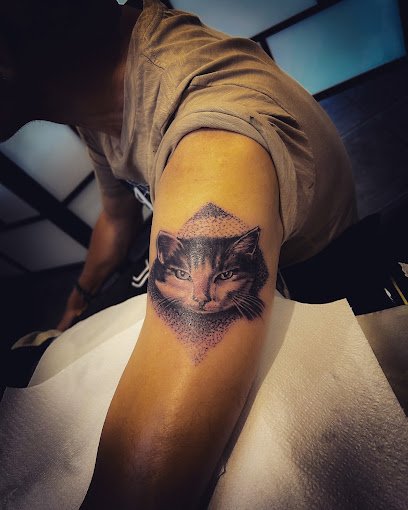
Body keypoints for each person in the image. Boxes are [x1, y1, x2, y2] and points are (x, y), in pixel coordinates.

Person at [0, 0, 356, 507]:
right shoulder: (97, 101)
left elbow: (143, 487)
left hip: (317, 286)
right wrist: (76, 302)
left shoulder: (219, 147)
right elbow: (116, 219)